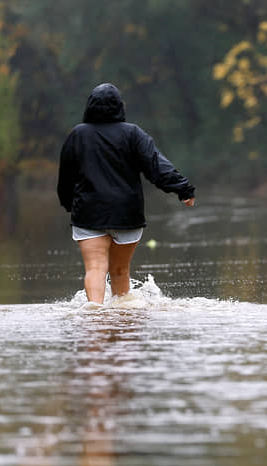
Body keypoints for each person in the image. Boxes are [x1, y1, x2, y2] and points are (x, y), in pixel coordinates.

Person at [58, 83, 195, 304]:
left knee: (95, 269)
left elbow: (66, 176)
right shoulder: (133, 133)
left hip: (89, 213)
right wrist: (183, 188)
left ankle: (95, 318)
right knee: (120, 271)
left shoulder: (78, 135)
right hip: (127, 213)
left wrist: (68, 204)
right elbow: (156, 166)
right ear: (120, 106)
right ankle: (122, 322)